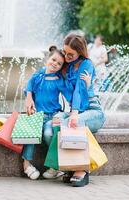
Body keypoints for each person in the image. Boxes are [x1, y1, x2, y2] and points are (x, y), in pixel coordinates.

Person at [45, 32, 106, 187]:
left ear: (80, 51)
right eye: (65, 52)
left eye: (71, 53)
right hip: (77, 110)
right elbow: (64, 88)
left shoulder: (87, 64)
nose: (67, 56)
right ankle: (66, 166)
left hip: (92, 110)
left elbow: (79, 91)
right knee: (50, 126)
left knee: (72, 124)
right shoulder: (68, 67)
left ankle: (82, 169)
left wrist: (73, 113)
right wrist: (30, 95)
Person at [22, 46, 72, 180]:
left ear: (61, 67)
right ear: (47, 59)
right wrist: (29, 96)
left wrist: (76, 110)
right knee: (31, 133)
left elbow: (69, 96)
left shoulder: (59, 80)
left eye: (59, 63)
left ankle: (55, 166)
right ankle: (26, 165)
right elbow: (28, 87)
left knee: (49, 133)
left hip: (52, 116)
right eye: (53, 60)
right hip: (38, 115)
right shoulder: (38, 76)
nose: (55, 64)